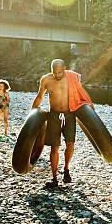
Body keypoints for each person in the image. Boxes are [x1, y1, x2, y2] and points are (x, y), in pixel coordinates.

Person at [31, 59, 92, 188]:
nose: (57, 75)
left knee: (70, 144)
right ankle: (54, 178)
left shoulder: (72, 77)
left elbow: (80, 92)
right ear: (51, 70)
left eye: (60, 72)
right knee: (54, 147)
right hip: (53, 116)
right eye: (54, 73)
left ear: (64, 68)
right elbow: (40, 96)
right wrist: (32, 114)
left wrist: (90, 108)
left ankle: (66, 169)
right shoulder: (46, 80)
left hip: (69, 114)